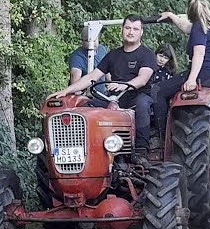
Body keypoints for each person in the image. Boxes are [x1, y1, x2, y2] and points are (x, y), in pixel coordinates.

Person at [48, 15, 157, 160]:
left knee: (142, 104)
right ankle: (81, 152)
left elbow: (142, 79)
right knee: (87, 105)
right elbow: (91, 77)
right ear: (122, 30)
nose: (131, 32)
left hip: (137, 97)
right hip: (114, 99)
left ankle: (140, 151)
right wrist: (66, 91)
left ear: (141, 32)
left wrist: (123, 85)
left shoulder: (147, 55)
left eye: (135, 29)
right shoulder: (113, 55)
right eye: (127, 28)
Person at [153, 0, 210, 136]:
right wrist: (172, 16)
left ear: (189, 12)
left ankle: (161, 136)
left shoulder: (199, 26)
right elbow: (187, 28)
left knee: (157, 91)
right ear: (206, 7)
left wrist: (192, 79)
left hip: (203, 74)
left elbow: (199, 53)